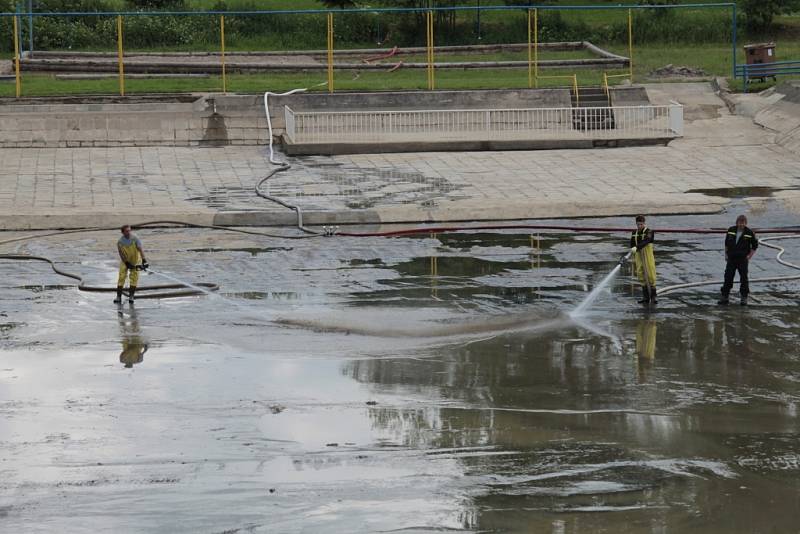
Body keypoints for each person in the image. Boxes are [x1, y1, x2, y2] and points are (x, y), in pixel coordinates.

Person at [719, 215, 758, 306]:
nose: (741, 224)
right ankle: (725, 296)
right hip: (731, 259)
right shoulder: (731, 230)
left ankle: (744, 298)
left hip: (742, 260)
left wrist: (749, 256)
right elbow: (726, 243)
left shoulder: (749, 232)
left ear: (746, 223)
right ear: (737, 222)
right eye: (740, 222)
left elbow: (755, 246)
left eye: (743, 222)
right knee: (728, 277)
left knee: (744, 279)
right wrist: (726, 255)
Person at [115, 224, 148, 304]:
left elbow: (140, 249)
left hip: (135, 260)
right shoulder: (120, 242)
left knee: (134, 278)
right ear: (123, 232)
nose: (129, 232)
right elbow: (121, 254)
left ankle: (131, 296)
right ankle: (118, 297)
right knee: (121, 277)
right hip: (125, 261)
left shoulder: (135, 239)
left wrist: (144, 260)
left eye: (130, 230)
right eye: (127, 231)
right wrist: (126, 263)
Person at [630, 215, 657, 304]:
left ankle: (653, 298)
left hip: (647, 256)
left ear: (644, 223)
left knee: (650, 275)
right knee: (641, 274)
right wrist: (632, 248)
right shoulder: (634, 232)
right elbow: (632, 244)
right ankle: (646, 297)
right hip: (638, 256)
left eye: (641, 224)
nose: (639, 226)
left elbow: (647, 240)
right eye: (638, 224)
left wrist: (637, 247)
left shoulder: (649, 232)